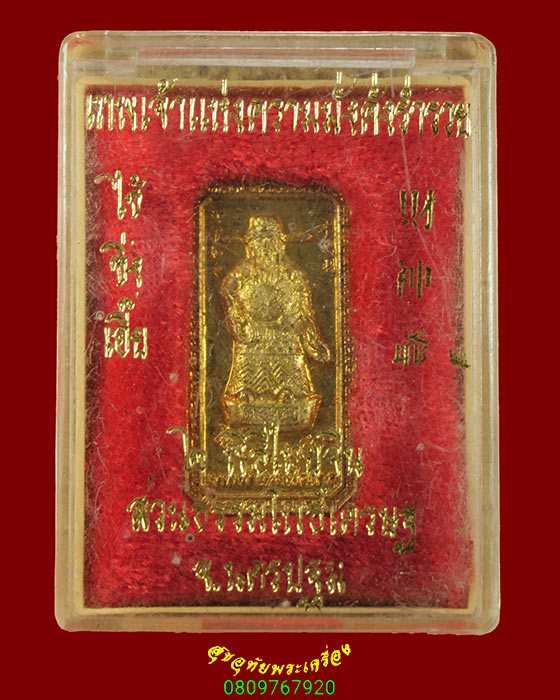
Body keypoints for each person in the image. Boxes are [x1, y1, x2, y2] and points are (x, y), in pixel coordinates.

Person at [221, 215, 330, 432]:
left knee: (290, 367)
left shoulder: (292, 275)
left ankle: (290, 395)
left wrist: (306, 332)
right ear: (251, 246)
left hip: (285, 336)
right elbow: (230, 294)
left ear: (280, 245)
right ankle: (246, 395)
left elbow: (303, 308)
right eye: (259, 241)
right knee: (247, 367)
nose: (265, 246)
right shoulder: (240, 274)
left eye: (270, 241)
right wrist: (240, 320)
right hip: (253, 336)